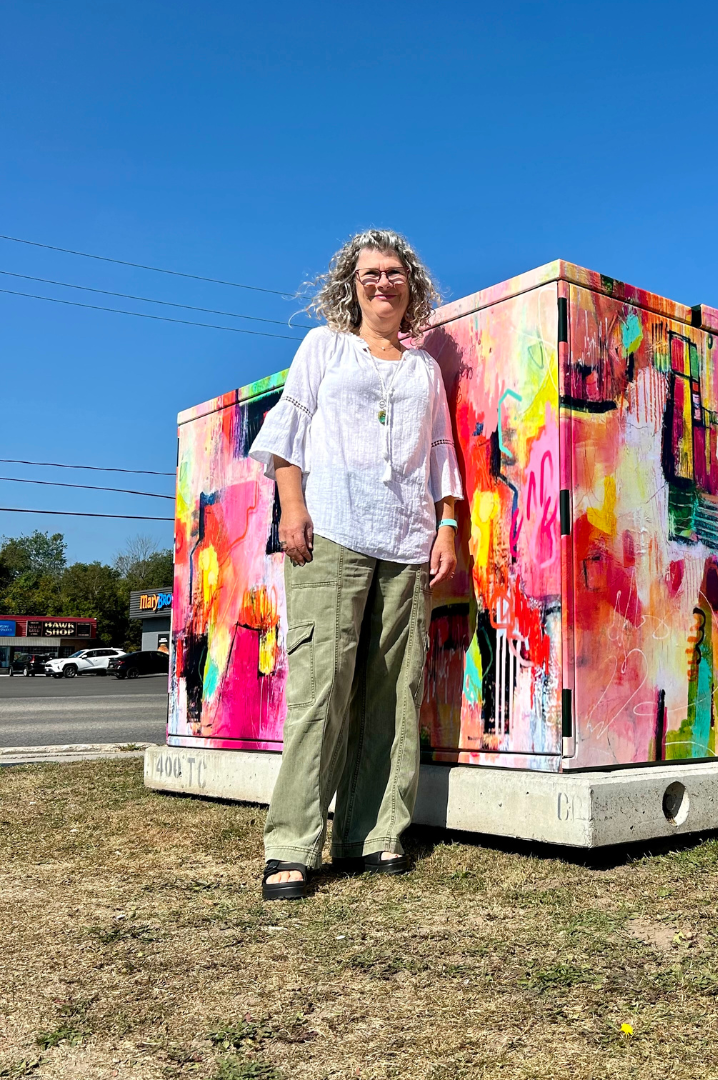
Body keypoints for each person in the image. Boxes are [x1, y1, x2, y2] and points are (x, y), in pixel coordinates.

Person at [249, 229, 462, 901]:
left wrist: (449, 527)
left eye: (393, 273)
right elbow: (288, 430)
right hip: (331, 529)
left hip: (406, 540)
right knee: (321, 687)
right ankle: (292, 844)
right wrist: (291, 508)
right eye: (370, 274)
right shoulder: (324, 347)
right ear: (352, 285)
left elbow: (439, 452)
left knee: (393, 694)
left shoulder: (425, 367)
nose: (382, 283)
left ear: (411, 286)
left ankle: (373, 834)